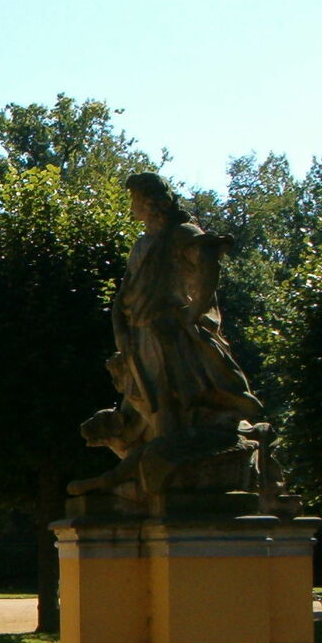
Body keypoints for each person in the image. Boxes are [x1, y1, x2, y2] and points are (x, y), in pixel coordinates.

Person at [110, 172, 259, 442]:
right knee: (153, 400)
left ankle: (189, 444)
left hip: (169, 331)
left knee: (179, 395)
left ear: (153, 202)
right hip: (140, 331)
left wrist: (193, 312)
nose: (132, 206)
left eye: (135, 199)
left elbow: (208, 261)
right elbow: (124, 294)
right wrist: (120, 328)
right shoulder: (141, 245)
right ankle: (169, 445)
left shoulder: (180, 233)